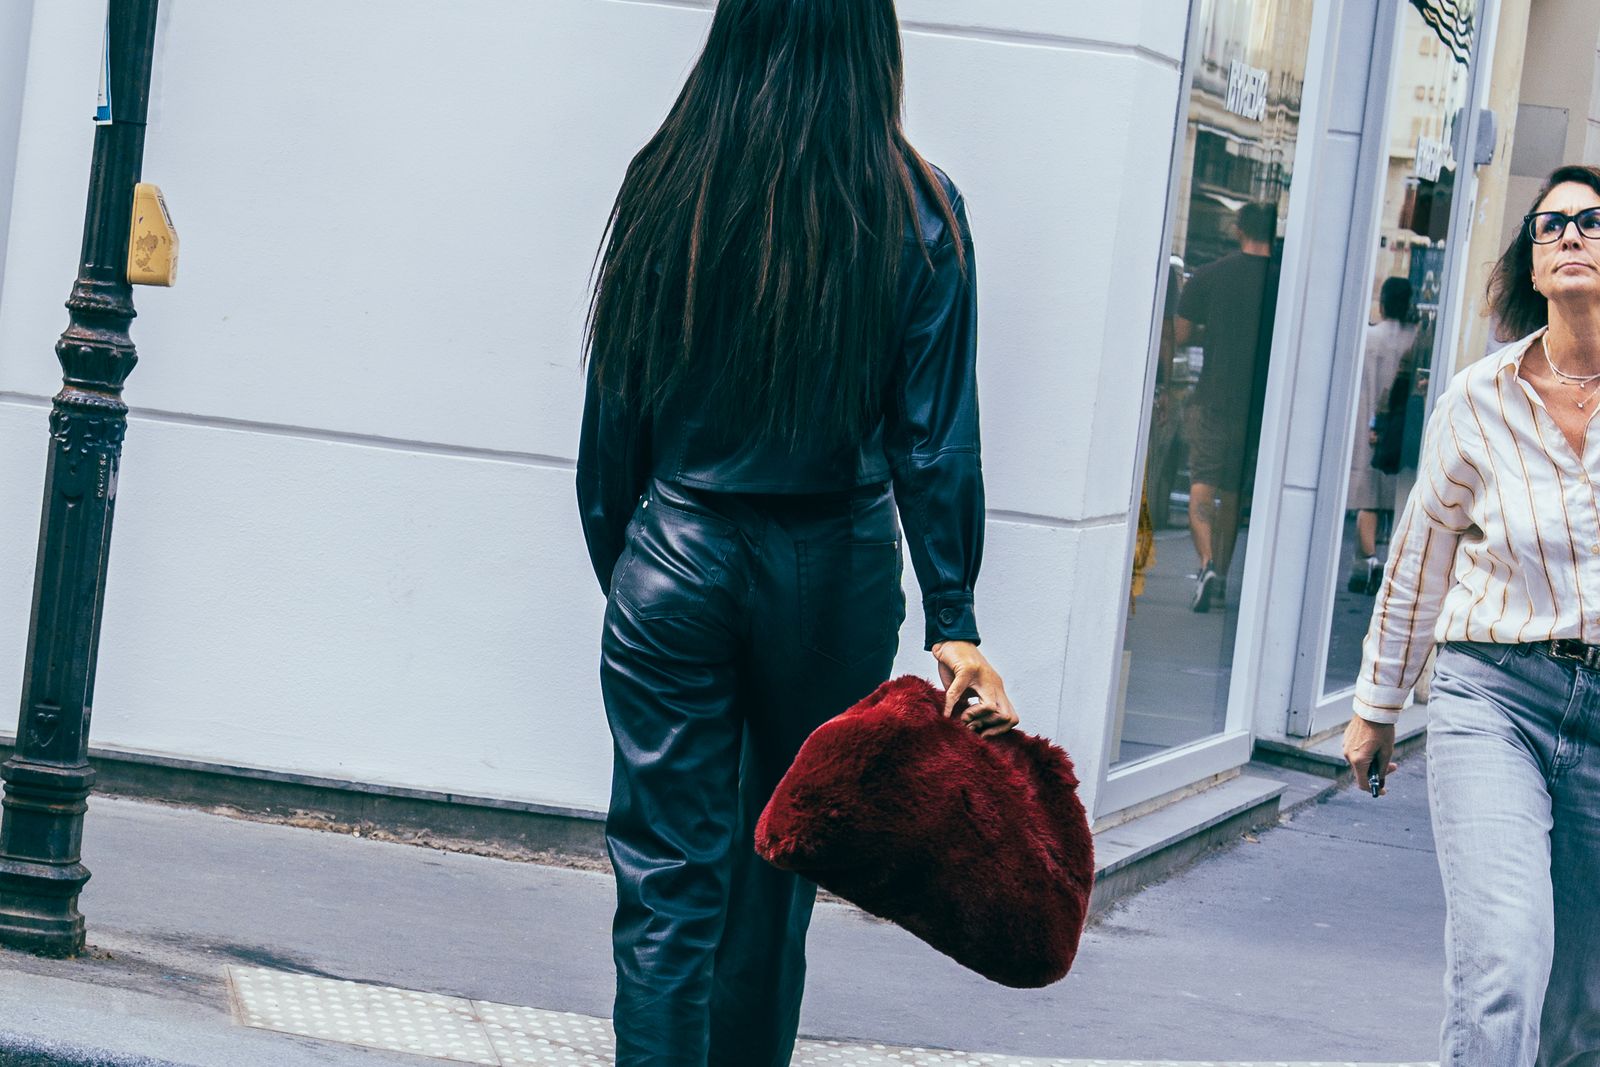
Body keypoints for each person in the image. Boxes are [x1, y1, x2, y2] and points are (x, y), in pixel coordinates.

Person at [575, 3, 1016, 1064]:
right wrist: (953, 616)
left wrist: (638, 570)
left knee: (666, 883)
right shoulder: (921, 206)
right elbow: (933, 440)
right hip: (835, 576)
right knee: (776, 874)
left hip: (675, 552)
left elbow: (610, 431)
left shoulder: (667, 179)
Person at [1343, 164, 1600, 1064]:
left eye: (1592, 221)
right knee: (1502, 963)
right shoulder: (1477, 399)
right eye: (1551, 225)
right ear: (1531, 266)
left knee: (1584, 1010)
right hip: (1495, 696)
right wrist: (1378, 706)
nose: (1571, 235)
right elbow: (1421, 556)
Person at [1175, 202, 1282, 612]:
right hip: (1257, 407)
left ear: (1239, 230)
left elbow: (1181, 333)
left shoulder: (1210, 276)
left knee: (1202, 486)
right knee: (1233, 494)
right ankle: (1221, 570)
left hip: (1213, 396)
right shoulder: (1282, 283)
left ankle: (1206, 566)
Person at [1344, 276, 1417, 594]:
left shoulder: (1368, 338)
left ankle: (1367, 562)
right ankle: (1385, 564)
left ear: (1383, 302)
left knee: (1367, 500)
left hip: (1366, 425)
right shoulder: (1416, 337)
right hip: (1400, 429)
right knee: (1396, 500)